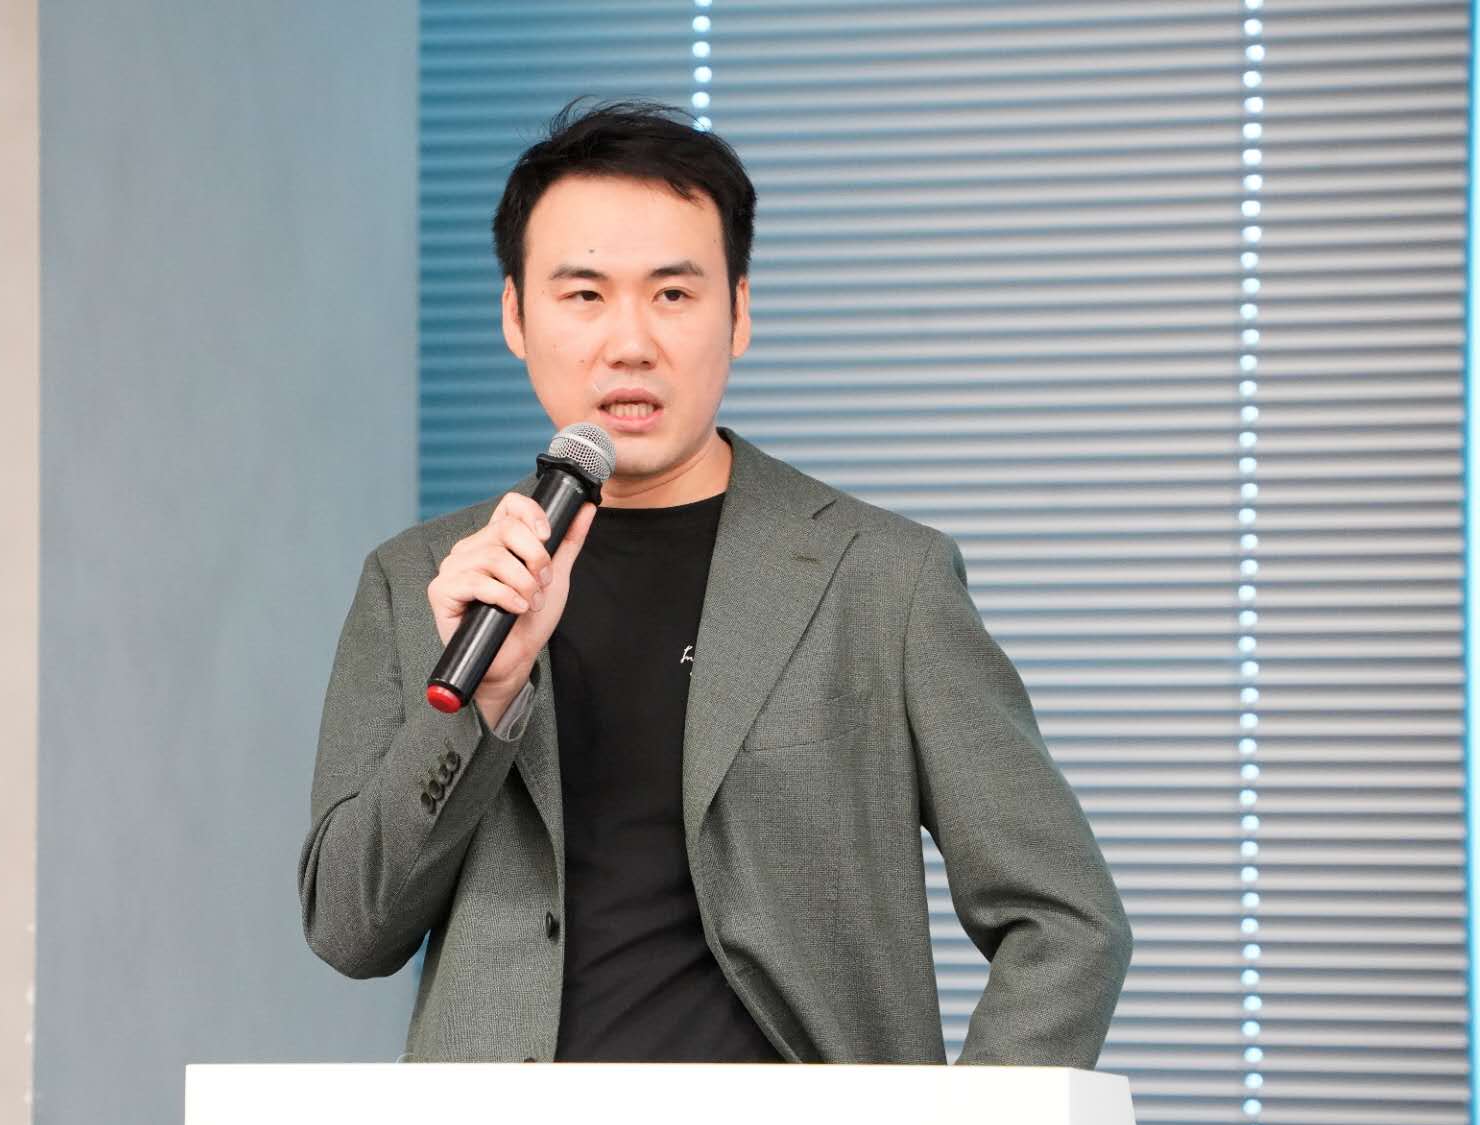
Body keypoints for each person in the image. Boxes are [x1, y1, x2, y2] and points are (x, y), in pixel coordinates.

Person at [297, 99, 1131, 1066]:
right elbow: (349, 927)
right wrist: (481, 703)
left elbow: (1067, 921)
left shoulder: (882, 582)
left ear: (738, 313)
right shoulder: (421, 581)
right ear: (515, 317)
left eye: (673, 294)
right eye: (583, 295)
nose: (630, 342)